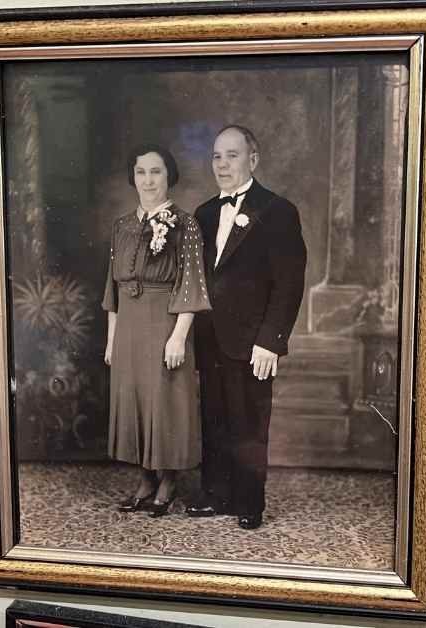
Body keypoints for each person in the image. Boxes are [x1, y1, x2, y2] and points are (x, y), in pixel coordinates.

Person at [188, 125, 307, 530]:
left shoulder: (278, 211)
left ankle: (249, 502)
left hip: (254, 341)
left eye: (232, 155)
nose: (223, 164)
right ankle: (216, 495)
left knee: (250, 424)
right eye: (217, 156)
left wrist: (271, 341)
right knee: (215, 419)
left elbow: (289, 283)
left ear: (252, 160)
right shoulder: (203, 214)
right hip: (210, 339)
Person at [102, 144, 211, 517]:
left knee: (165, 403)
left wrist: (179, 335)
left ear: (170, 176)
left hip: (165, 322)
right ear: (133, 177)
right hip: (129, 326)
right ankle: (145, 478)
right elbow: (111, 288)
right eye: (141, 172)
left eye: (156, 172)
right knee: (135, 401)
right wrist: (111, 338)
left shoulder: (186, 225)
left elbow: (192, 284)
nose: (148, 180)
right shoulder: (122, 226)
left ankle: (168, 479)